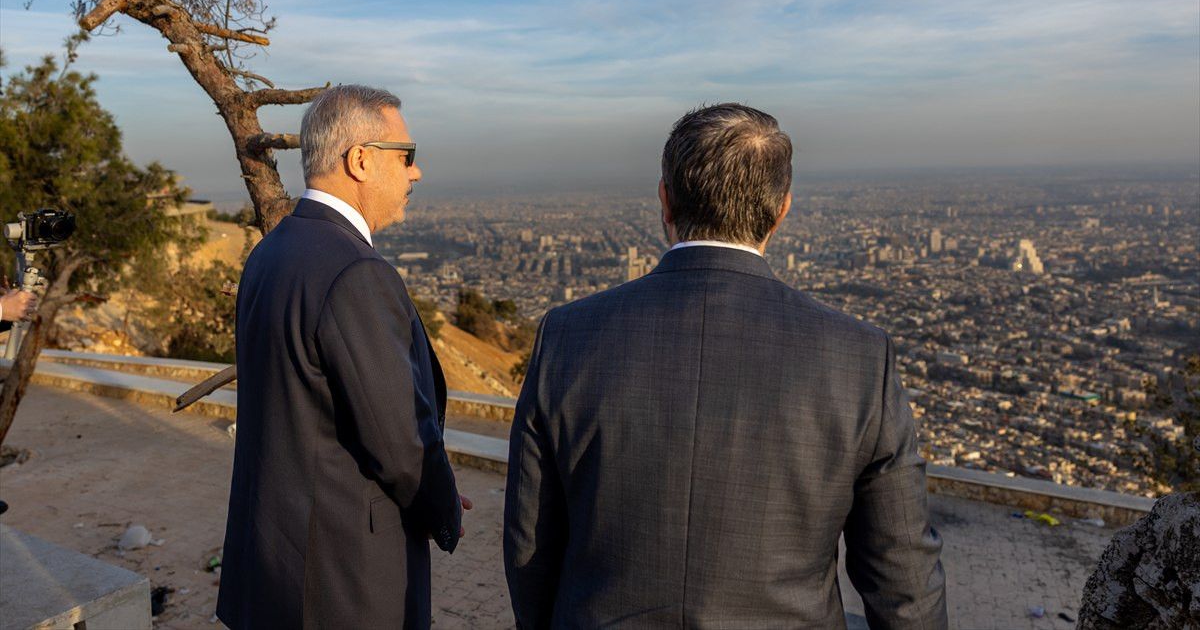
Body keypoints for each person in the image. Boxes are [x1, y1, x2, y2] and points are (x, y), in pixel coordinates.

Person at [504, 103, 947, 628]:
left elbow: (530, 543)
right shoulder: (857, 357)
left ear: (665, 199)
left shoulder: (569, 336)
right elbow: (904, 580)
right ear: (782, 209)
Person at [217, 85, 469, 630]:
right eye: (406, 155)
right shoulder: (355, 271)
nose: (416, 172)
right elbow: (398, 440)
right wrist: (443, 507)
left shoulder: (270, 252)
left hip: (274, 564)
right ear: (360, 160)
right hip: (341, 580)